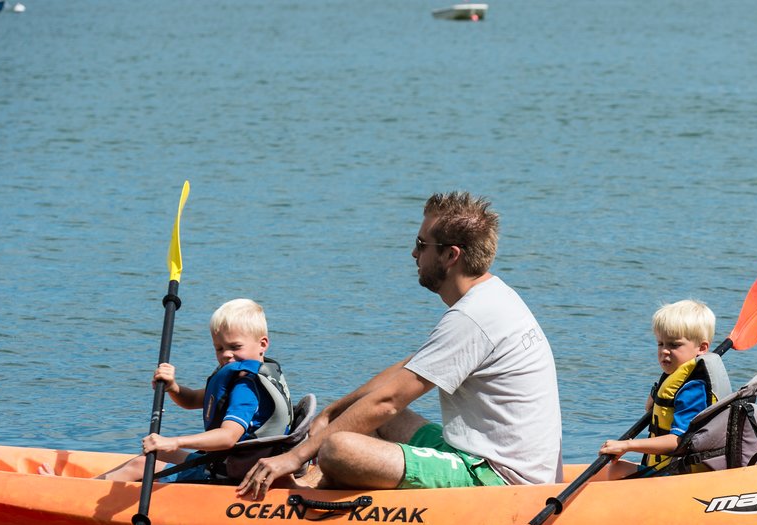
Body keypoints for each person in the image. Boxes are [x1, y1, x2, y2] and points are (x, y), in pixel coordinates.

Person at [236, 191, 562, 500]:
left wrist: (293, 457)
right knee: (355, 416)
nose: (414, 253)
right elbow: (412, 369)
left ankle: (305, 492)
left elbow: (389, 401)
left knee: (337, 448)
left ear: (451, 255)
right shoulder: (490, 297)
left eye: (422, 244)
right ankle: (316, 484)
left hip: (497, 478)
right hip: (476, 454)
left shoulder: (473, 316)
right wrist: (334, 411)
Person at [93, 298, 293, 482]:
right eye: (219, 348)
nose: (226, 355)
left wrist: (175, 441)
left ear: (262, 344)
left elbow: (227, 437)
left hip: (231, 476)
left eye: (235, 346)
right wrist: (173, 387)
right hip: (228, 464)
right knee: (158, 454)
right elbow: (192, 400)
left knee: (141, 465)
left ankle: (80, 494)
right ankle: (88, 486)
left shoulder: (246, 389)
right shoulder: (250, 375)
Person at [598, 299, 717, 479]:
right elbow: (651, 409)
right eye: (661, 344)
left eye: (674, 345)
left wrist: (627, 446)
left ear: (702, 348)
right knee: (615, 469)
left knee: (617, 470)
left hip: (680, 474)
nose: (665, 351)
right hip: (666, 468)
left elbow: (678, 442)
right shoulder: (673, 378)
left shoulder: (693, 389)